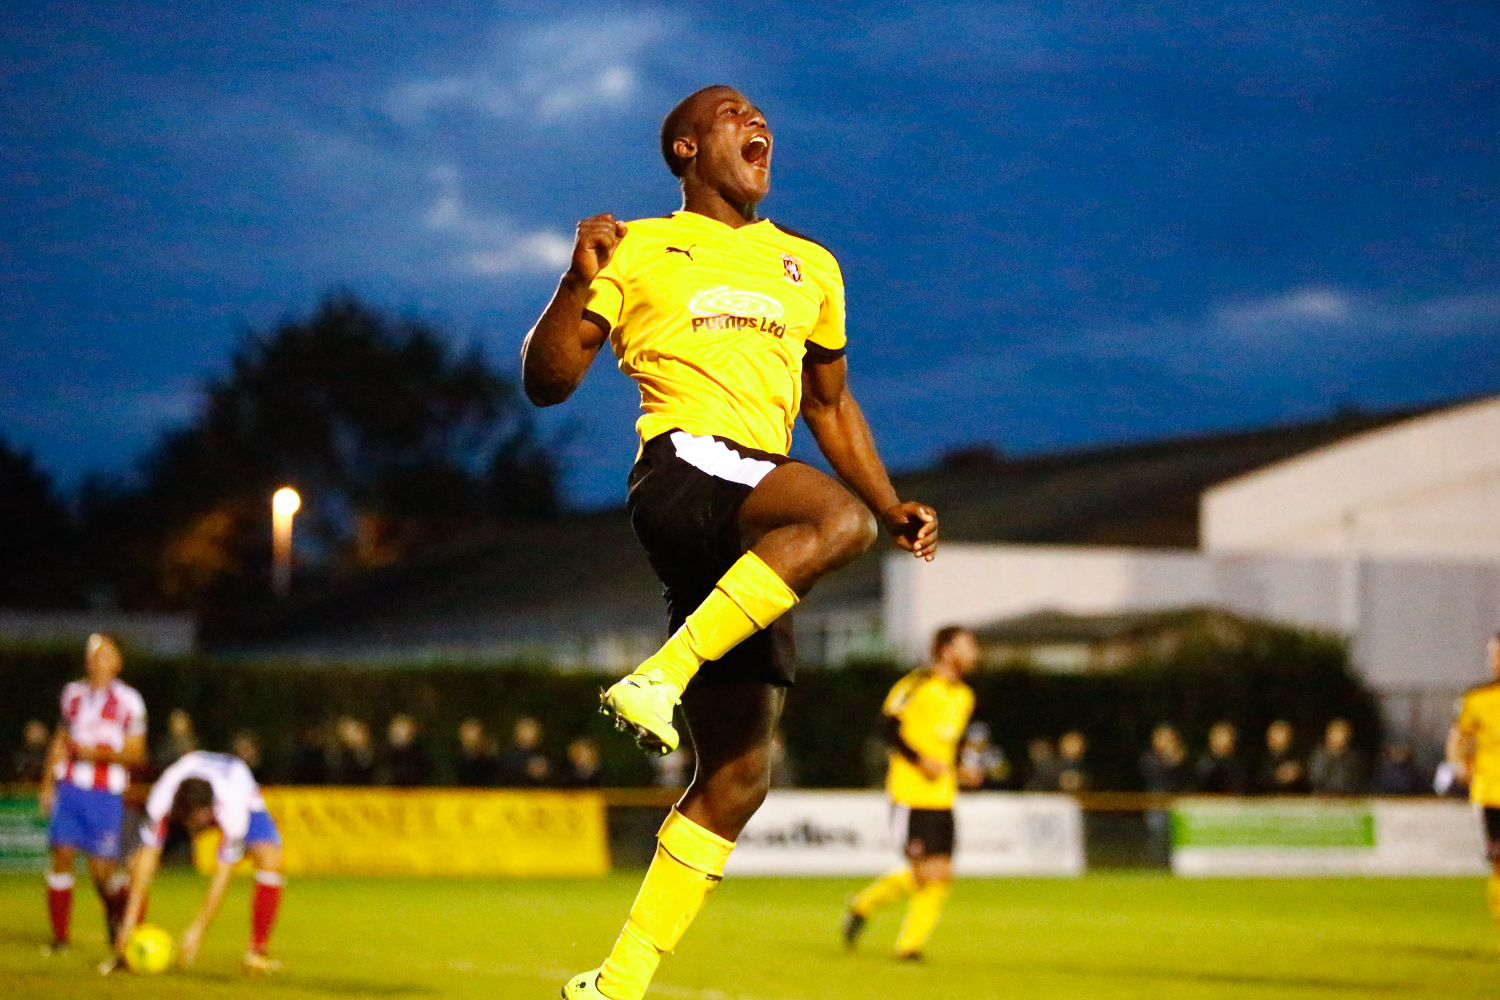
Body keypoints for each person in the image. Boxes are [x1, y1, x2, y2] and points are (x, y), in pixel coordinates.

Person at [522, 85, 938, 1000]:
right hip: (685, 466)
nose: (758, 124)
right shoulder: (637, 245)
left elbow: (830, 405)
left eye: (761, 118)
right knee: (835, 523)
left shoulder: (810, 265)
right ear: (685, 148)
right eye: (731, 114)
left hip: (750, 516)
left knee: (740, 776)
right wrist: (573, 279)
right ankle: (659, 676)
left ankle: (616, 982)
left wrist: (893, 501)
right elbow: (547, 384)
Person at [843, 626, 978, 961]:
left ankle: (909, 947)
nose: (974, 652)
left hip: (943, 796)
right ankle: (864, 904)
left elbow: (952, 742)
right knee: (924, 873)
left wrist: (962, 767)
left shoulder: (964, 696)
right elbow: (886, 728)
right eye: (968, 645)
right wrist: (919, 761)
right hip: (909, 794)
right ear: (946, 650)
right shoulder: (915, 684)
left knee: (941, 874)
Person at [116, 750, 284, 973]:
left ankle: (257, 951)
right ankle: (130, 936)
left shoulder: (232, 806)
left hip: (238, 781)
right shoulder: (163, 796)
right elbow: (147, 860)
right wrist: (128, 924)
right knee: (135, 862)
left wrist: (197, 930)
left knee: (270, 860)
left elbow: (222, 875)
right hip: (191, 778)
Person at [38, 634, 146, 957]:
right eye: (94, 655)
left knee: (102, 869)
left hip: (105, 793)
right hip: (70, 787)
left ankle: (122, 917)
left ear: (118, 662)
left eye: (105, 655)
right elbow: (60, 739)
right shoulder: (73, 694)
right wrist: (48, 785)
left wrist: (96, 754)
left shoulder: (129, 701)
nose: (98, 661)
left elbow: (137, 753)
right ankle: (60, 939)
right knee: (62, 855)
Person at [1449, 633, 1500, 942]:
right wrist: (1459, 764)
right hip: (1493, 791)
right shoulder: (1478, 697)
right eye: (1493, 654)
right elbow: (1459, 736)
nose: (1495, 659)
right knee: (1498, 861)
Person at [1308, 718, 1365, 794]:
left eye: (1343, 733)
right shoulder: (1320, 756)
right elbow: (1315, 779)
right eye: (1337, 733)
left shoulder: (1353, 757)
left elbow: (1358, 781)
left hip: (1349, 797)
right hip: (1323, 797)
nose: (1340, 737)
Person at [378, 714, 433, 787]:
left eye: (402, 729)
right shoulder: (381, 754)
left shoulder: (419, 754)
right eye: (396, 729)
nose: (398, 733)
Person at [1194, 721, 1248, 794]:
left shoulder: (1240, 764)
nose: (1223, 741)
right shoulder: (1204, 764)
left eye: (1226, 737)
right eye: (1220, 736)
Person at [499, 716, 553, 787]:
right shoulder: (507, 757)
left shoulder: (546, 756)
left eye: (531, 730)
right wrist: (526, 769)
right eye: (525, 730)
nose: (528, 734)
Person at [1256, 719, 1306, 794]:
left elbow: (1307, 782)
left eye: (1282, 734)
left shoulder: (1297, 757)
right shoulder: (1259, 758)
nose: (1279, 737)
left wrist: (1297, 774)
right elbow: (1256, 782)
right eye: (1276, 734)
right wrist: (1277, 776)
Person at [958, 722, 1010, 790]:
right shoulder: (960, 754)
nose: (979, 745)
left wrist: (986, 771)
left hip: (992, 789)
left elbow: (1003, 774)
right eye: (974, 741)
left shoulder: (994, 752)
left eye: (982, 741)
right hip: (966, 791)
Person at [455, 718, 500, 787]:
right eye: (468, 731)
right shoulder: (454, 755)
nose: (471, 735)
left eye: (473, 731)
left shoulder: (486, 757)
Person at [12, 719, 50, 783]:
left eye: (38, 731)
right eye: (33, 731)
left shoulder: (51, 754)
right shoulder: (21, 756)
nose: (36, 735)